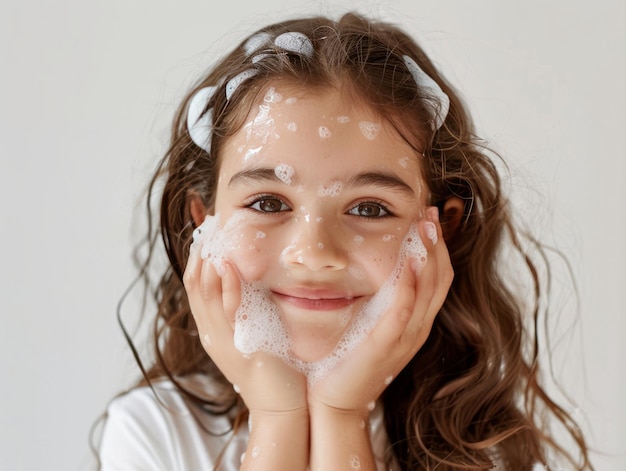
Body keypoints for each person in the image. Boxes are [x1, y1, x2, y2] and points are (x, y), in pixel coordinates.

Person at [96, 11, 593, 470]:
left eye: (370, 208)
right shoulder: (154, 433)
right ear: (203, 224)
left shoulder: (485, 447)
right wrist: (277, 417)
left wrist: (341, 415)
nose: (314, 254)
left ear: (440, 230)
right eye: (268, 203)